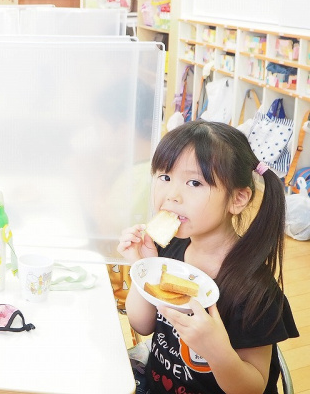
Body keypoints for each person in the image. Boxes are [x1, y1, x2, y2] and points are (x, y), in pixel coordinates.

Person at [118, 121, 299, 394]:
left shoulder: (255, 291)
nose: (172, 195)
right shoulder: (169, 250)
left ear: (237, 199)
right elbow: (141, 325)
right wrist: (143, 267)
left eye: (194, 183)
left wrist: (216, 349)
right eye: (165, 177)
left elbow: (252, 388)